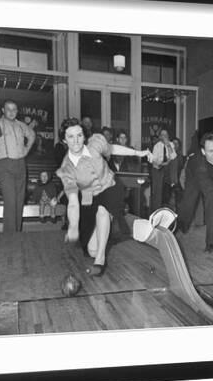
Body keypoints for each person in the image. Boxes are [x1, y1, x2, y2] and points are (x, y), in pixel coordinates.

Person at [56, 118, 153, 276]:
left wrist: (137, 153)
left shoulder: (95, 143)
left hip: (111, 187)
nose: (76, 141)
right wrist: (73, 226)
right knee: (92, 249)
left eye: (79, 135)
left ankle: (100, 260)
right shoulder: (67, 169)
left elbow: (113, 148)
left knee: (103, 210)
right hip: (90, 199)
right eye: (70, 136)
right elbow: (73, 202)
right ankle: (102, 240)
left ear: (84, 135)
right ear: (64, 140)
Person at [0, 100, 36, 233]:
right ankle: (9, 238)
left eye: (14, 109)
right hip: (4, 164)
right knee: (11, 201)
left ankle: (16, 235)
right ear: (3, 110)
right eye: (8, 109)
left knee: (19, 201)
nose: (11, 112)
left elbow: (32, 135)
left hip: (20, 165)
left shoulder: (20, 125)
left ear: (17, 111)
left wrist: (26, 150)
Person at [150, 128, 177, 212]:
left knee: (167, 194)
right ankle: (156, 211)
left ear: (168, 136)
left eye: (165, 135)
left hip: (168, 170)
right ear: (160, 136)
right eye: (162, 135)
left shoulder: (171, 144)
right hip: (158, 169)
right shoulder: (157, 146)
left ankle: (166, 211)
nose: (164, 137)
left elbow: (173, 156)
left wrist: (168, 145)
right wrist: (162, 163)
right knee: (157, 194)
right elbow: (154, 160)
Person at [164, 137, 185, 211]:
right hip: (167, 183)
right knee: (167, 204)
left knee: (179, 204)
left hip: (178, 184)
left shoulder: (181, 158)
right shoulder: (166, 156)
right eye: (173, 143)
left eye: (177, 144)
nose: (175, 145)